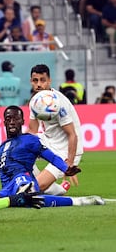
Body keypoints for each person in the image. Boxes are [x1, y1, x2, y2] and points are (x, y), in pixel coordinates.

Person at [0, 106, 104, 207]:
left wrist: (65, 168)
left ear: (22, 121)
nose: (12, 122)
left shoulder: (30, 140)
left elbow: (52, 157)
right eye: (8, 119)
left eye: (15, 118)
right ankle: (20, 197)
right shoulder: (2, 148)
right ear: (4, 122)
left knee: (24, 185)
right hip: (7, 192)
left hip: (23, 180)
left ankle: (80, 201)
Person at [28, 64, 83, 196]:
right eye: (35, 80)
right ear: (31, 81)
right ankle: (49, 185)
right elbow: (32, 132)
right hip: (49, 142)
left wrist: (68, 164)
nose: (39, 84)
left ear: (49, 81)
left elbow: (72, 135)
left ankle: (57, 188)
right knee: (20, 152)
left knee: (36, 188)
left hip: (66, 149)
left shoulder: (58, 103)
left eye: (43, 80)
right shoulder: (35, 101)